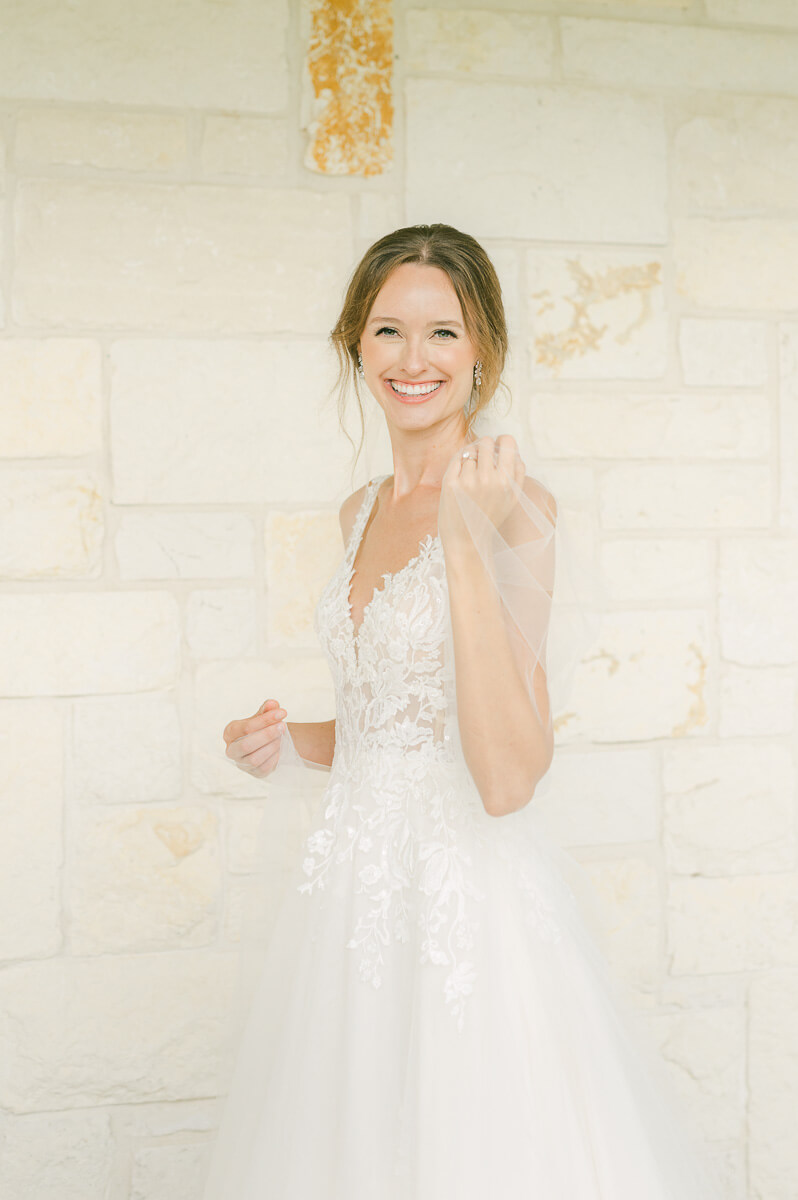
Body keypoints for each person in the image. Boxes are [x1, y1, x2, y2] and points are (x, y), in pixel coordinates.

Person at [201, 224, 724, 1199]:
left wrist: (466, 540)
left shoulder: (520, 506)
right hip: (352, 899)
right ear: (355, 341)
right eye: (389, 330)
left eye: (443, 333)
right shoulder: (355, 510)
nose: (413, 359)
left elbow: (507, 776)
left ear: (484, 349)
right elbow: (389, 723)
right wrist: (281, 742)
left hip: (465, 908)